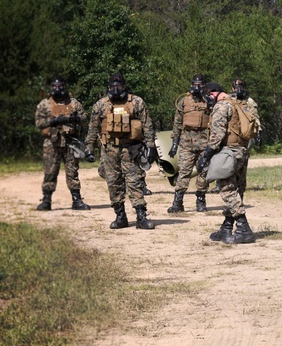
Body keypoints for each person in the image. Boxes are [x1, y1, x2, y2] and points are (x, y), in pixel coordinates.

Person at [83, 73, 160, 230]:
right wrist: (89, 147)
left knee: (134, 182)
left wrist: (151, 147)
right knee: (113, 183)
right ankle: (120, 216)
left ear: (124, 86)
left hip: (131, 149)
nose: (116, 89)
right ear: (109, 87)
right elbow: (92, 127)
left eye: (119, 85)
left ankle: (141, 216)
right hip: (109, 149)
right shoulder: (100, 105)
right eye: (112, 86)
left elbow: (147, 125)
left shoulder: (136, 102)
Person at [198, 82, 256, 244]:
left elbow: (217, 134)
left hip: (228, 152)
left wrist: (206, 156)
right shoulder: (239, 104)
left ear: (212, 93)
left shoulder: (221, 106)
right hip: (241, 151)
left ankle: (244, 229)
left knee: (227, 189)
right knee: (237, 189)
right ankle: (227, 227)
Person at [33, 76, 91, 211]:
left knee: (72, 171)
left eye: (60, 86)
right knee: (50, 171)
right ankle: (46, 200)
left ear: (65, 87)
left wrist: (75, 118)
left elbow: (84, 116)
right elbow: (38, 122)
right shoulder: (44, 104)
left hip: (70, 142)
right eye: (54, 86)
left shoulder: (73, 103)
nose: (57, 89)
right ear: (51, 87)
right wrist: (52, 121)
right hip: (52, 143)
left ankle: (76, 200)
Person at [167, 74, 211, 214]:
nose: (197, 87)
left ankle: (201, 199)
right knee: (184, 171)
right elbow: (177, 123)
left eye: (200, 84)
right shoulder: (184, 101)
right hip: (187, 142)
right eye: (194, 84)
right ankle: (178, 202)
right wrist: (175, 143)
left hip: (205, 142)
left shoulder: (210, 101)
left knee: (204, 172)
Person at [230, 77, 261, 201]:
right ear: (232, 88)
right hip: (231, 137)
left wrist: (259, 132)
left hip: (245, 136)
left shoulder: (249, 101)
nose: (239, 88)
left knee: (242, 162)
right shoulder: (228, 100)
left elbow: (254, 117)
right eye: (236, 86)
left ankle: (240, 190)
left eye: (241, 85)